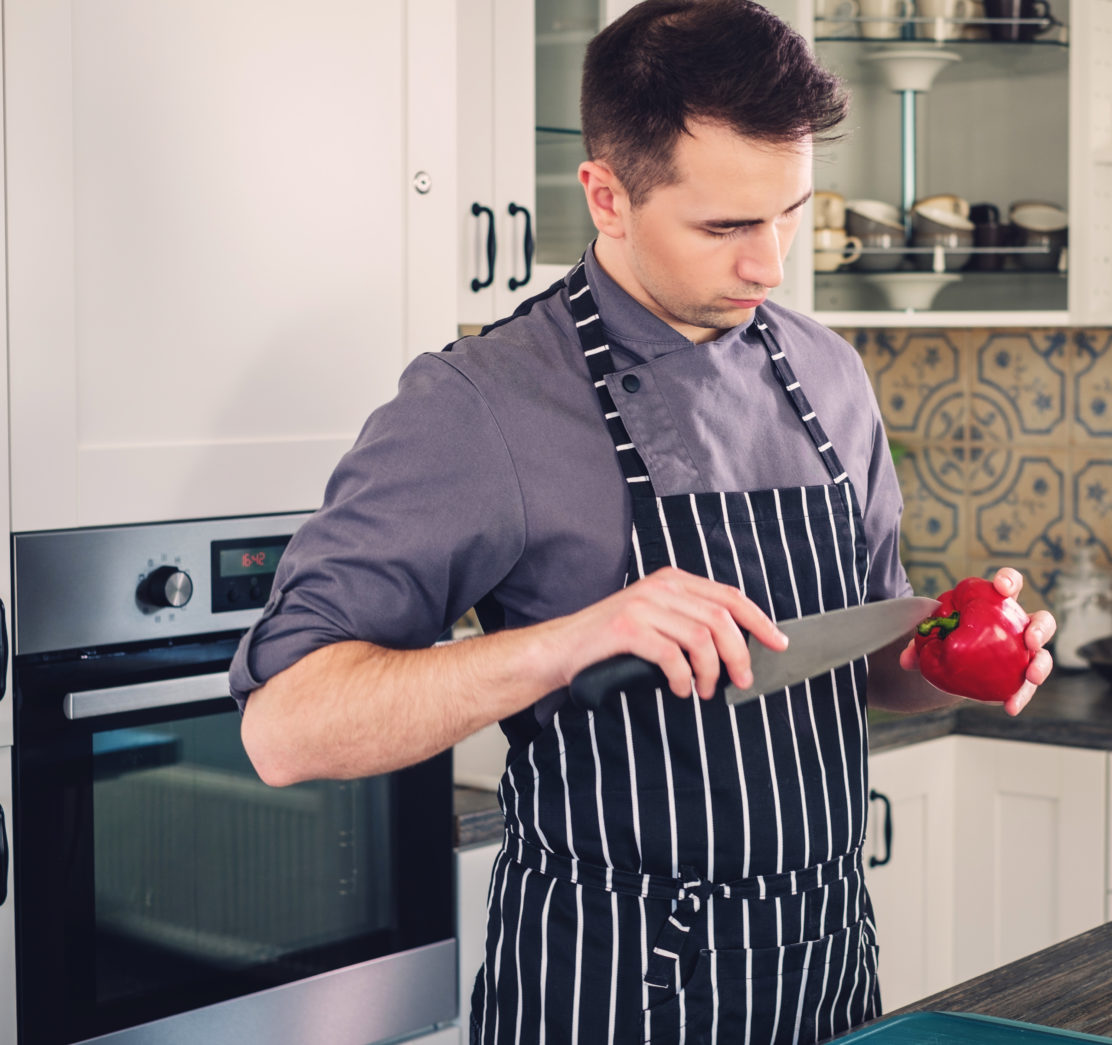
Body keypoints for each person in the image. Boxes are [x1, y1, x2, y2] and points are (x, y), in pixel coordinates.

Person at [230, 1, 1055, 1042]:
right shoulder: (481, 404)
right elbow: (284, 728)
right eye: (723, 227)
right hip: (608, 983)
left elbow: (861, 669)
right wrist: (573, 638)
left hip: (825, 966)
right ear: (605, 196)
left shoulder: (828, 375)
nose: (771, 264)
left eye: (790, 211)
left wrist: (946, 653)